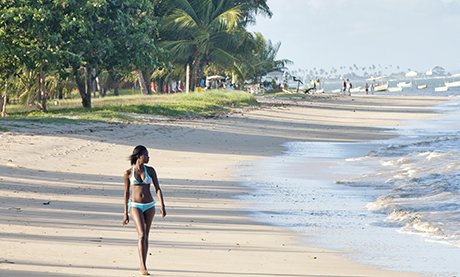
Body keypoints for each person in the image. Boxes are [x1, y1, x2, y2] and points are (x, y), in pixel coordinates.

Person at [123, 145, 166, 276]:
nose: (148, 157)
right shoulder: (128, 173)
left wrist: (162, 205)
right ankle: (143, 266)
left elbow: (158, 188)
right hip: (135, 205)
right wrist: (125, 212)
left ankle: (144, 263)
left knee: (146, 236)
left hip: (149, 206)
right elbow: (126, 193)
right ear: (139, 156)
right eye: (146, 155)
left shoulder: (151, 170)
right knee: (141, 234)